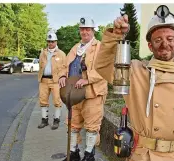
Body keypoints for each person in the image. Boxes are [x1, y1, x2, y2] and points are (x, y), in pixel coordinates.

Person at [94, 6, 174, 161]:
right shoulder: (134, 71)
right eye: (158, 40)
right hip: (143, 156)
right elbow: (102, 66)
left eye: (170, 39)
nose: (164, 44)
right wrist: (114, 36)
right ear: (150, 46)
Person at [59, 17, 107, 161]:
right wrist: (62, 75)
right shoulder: (75, 48)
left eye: (88, 29)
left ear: (93, 31)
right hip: (74, 95)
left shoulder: (100, 47)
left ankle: (89, 155)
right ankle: (73, 154)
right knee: (72, 124)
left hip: (92, 93)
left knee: (92, 126)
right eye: (82, 29)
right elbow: (64, 65)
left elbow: (105, 68)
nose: (84, 32)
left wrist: (88, 79)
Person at [38, 31, 66, 130]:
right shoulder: (43, 53)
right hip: (44, 80)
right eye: (49, 41)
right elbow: (40, 66)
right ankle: (44, 120)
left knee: (57, 101)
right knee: (43, 100)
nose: (50, 43)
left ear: (56, 42)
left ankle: (56, 120)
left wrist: (62, 77)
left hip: (55, 81)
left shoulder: (61, 54)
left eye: (52, 41)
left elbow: (65, 68)